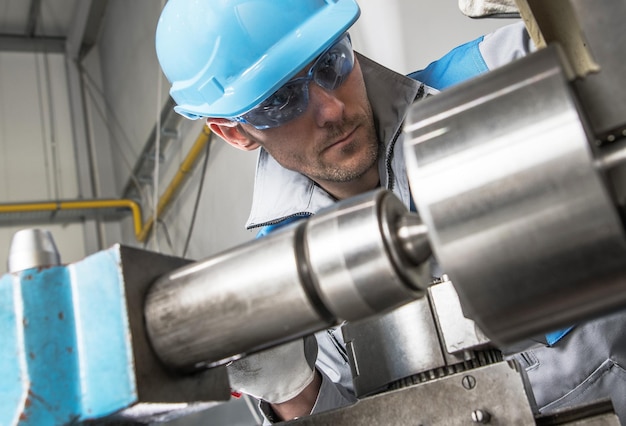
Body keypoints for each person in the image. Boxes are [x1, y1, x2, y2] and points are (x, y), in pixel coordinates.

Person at [155, 0, 626, 424]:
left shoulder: (497, 74)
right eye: (281, 100)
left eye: (330, 63)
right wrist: (291, 388)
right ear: (234, 132)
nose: (331, 109)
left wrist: (577, 12)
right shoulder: (279, 281)